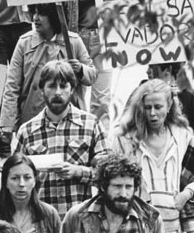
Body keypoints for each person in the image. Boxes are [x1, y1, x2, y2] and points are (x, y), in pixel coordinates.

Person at [0, 7, 97, 160]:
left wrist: (80, 69)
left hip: (69, 122)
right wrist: (6, 126)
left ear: (54, 17)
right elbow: (12, 87)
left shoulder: (73, 41)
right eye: (35, 12)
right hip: (33, 120)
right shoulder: (24, 43)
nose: (36, 18)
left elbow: (92, 75)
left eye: (42, 14)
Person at [14, 60, 107, 219]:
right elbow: (16, 180)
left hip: (79, 222)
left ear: (72, 89)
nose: (57, 92)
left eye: (63, 86)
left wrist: (78, 171)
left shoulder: (91, 125)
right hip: (41, 222)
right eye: (51, 86)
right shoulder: (27, 131)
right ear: (42, 89)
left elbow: (108, 174)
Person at [109, 79, 194, 233]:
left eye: (158, 107)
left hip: (173, 225)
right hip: (135, 225)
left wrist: (186, 194)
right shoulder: (124, 138)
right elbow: (110, 180)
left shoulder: (182, 135)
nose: (152, 113)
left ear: (169, 105)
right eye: (147, 107)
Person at [60, 153, 162, 233]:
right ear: (103, 187)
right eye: (117, 186)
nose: (123, 194)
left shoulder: (151, 219)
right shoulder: (77, 216)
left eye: (128, 187)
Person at [0, 154, 61, 233]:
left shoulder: (49, 214)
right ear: (5, 182)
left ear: (34, 181)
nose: (21, 184)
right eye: (15, 178)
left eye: (27, 178)